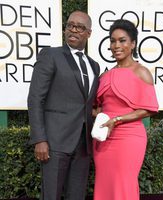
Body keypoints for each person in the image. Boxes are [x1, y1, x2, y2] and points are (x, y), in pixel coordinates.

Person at [28, 10, 100, 200]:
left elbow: (86, 103)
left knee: (76, 195)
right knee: (51, 195)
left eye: (80, 27)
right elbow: (35, 98)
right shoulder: (51, 55)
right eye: (70, 25)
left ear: (89, 33)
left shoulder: (94, 66)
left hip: (83, 144)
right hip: (55, 142)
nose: (73, 30)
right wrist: (39, 139)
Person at [93, 19, 159, 200]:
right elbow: (96, 107)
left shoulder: (141, 72)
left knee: (124, 182)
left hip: (129, 138)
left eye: (122, 40)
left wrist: (116, 120)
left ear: (133, 44)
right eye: (113, 41)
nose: (116, 45)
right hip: (103, 138)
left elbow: (148, 109)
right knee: (104, 183)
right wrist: (98, 117)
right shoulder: (104, 76)